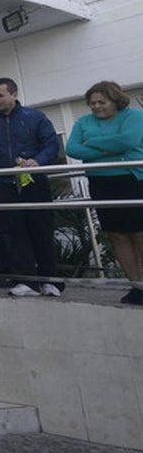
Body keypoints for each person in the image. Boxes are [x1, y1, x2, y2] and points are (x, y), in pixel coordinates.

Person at [0, 77, 61, 297]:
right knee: (11, 233)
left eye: (0, 95)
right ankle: (26, 281)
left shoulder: (35, 117)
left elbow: (51, 144)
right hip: (0, 184)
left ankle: (50, 281)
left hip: (33, 182)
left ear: (14, 95)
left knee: (41, 230)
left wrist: (38, 161)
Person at [66, 80, 143, 305]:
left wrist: (92, 144)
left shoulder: (134, 117)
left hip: (132, 180)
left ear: (115, 100)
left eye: (102, 102)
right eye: (93, 103)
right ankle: (137, 286)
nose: (97, 107)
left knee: (140, 233)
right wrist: (110, 150)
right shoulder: (83, 122)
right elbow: (72, 148)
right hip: (101, 182)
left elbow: (129, 140)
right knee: (116, 234)